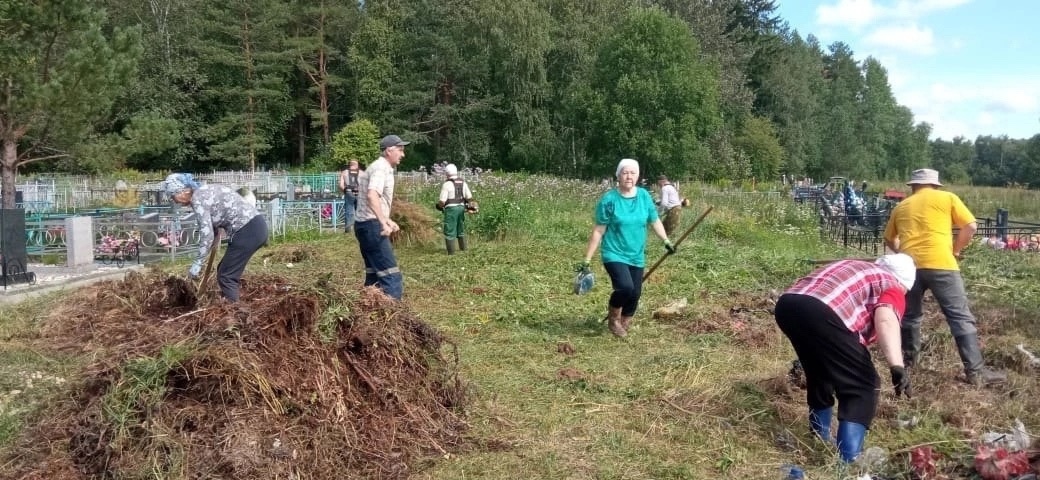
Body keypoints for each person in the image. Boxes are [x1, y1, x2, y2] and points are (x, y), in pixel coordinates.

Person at [774, 254, 916, 463]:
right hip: (823, 311)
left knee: (821, 371)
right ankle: (849, 459)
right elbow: (886, 319)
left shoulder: (856, 267)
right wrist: (897, 365)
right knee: (863, 384)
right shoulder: (893, 285)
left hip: (789, 304)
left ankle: (819, 437)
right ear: (905, 282)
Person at [882, 168, 1006, 386]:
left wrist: (903, 253)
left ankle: (909, 366)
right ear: (936, 185)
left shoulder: (901, 206)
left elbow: (889, 239)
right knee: (960, 317)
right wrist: (956, 250)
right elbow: (970, 227)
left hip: (910, 268)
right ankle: (975, 373)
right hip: (942, 264)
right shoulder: (947, 198)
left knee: (910, 317)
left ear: (913, 186)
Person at [582, 158, 674, 338]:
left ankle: (624, 322)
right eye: (625, 173)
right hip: (614, 253)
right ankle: (614, 320)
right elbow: (599, 230)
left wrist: (666, 241)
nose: (629, 176)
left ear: (638, 176)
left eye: (633, 173)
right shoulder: (609, 200)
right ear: (618, 176)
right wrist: (586, 259)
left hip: (636, 254)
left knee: (635, 293)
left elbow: (654, 220)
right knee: (625, 287)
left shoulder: (644, 196)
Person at [162, 173, 268, 302]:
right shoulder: (204, 192)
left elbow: (206, 235)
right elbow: (214, 231)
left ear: (183, 191)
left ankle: (234, 313)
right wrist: (211, 243)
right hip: (255, 227)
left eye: (173, 196)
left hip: (247, 231)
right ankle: (228, 301)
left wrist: (198, 263)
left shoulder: (198, 199)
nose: (174, 201)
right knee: (224, 269)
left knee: (226, 276)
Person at [354, 135, 409, 300]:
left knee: (374, 275)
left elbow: (369, 199)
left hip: (364, 224)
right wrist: (382, 223)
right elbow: (372, 196)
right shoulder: (380, 168)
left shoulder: (376, 167)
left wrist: (387, 220)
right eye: (400, 150)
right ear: (388, 150)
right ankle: (393, 319)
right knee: (391, 275)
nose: (403, 154)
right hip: (371, 226)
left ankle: (368, 313)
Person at [436, 163, 474, 254]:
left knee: (449, 230)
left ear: (447, 173)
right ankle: (463, 250)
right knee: (460, 229)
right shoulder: (463, 182)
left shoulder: (447, 184)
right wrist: (471, 207)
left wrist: (439, 207)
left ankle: (451, 253)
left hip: (451, 210)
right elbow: (469, 197)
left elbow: (442, 201)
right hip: (461, 208)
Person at [338, 159, 361, 233]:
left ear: (350, 165)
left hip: (348, 192)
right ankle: (360, 229)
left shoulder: (344, 173)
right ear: (357, 165)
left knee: (349, 210)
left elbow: (341, 185)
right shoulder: (362, 173)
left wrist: (345, 191)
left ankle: (348, 229)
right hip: (360, 193)